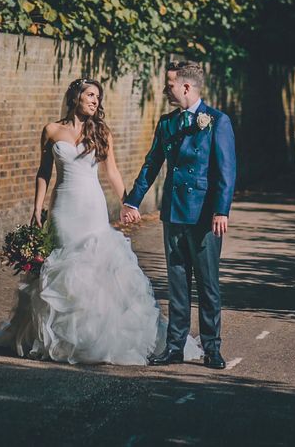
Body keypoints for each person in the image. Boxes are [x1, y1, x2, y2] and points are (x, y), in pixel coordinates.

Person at [0, 78, 201, 365]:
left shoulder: (101, 131)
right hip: (63, 207)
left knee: (94, 267)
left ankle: (92, 339)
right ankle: (56, 337)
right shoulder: (51, 130)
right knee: (63, 267)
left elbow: (112, 172)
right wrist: (36, 209)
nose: (95, 101)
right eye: (90, 95)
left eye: (97, 97)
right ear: (75, 97)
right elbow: (43, 172)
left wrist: (129, 202)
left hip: (92, 207)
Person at [122, 61, 236, 370]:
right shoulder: (167, 123)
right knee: (177, 283)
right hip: (174, 213)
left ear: (186, 87)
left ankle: (212, 348)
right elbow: (151, 165)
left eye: (169, 85)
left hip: (204, 218)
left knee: (208, 285)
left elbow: (226, 172)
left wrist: (221, 210)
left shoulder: (217, 121)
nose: (165, 90)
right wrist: (133, 201)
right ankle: (175, 347)